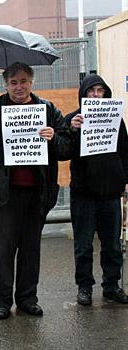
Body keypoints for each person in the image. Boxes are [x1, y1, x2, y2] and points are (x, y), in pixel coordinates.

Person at [0, 62, 71, 319]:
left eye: (24, 81)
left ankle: (27, 298)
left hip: (38, 193)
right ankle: (1, 301)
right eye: (14, 82)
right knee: (4, 250)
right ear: (6, 85)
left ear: (32, 82)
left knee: (31, 249)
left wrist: (54, 138)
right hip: (6, 193)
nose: (19, 87)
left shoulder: (48, 109)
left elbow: (66, 149)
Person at [65, 74, 128, 305]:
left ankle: (112, 285)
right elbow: (61, 150)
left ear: (106, 93)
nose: (96, 95)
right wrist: (71, 130)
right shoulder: (74, 119)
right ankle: (84, 287)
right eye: (91, 90)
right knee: (83, 245)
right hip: (83, 194)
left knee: (112, 244)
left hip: (111, 193)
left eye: (100, 90)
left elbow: (124, 151)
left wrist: (124, 180)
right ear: (84, 93)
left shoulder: (115, 120)